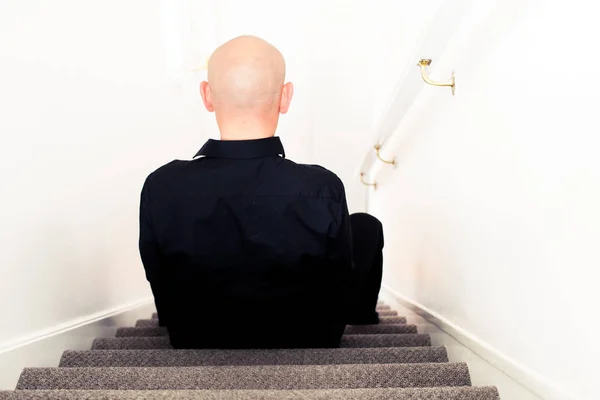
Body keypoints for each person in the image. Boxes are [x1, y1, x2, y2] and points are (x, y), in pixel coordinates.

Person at [139, 35, 384, 349]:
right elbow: (337, 279)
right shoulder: (323, 187)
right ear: (286, 98)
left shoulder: (161, 185)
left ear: (207, 96)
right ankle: (362, 320)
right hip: (310, 337)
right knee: (365, 226)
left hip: (195, 335)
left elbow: (159, 278)